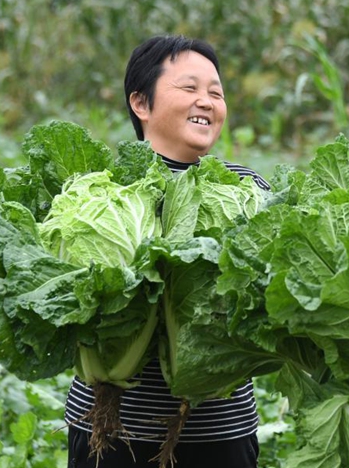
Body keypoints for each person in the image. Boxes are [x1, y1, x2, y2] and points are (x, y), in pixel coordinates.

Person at [65, 35, 268, 468]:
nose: (207, 102)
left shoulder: (249, 189)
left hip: (220, 430)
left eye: (216, 93)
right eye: (189, 88)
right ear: (140, 102)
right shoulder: (99, 190)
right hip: (110, 429)